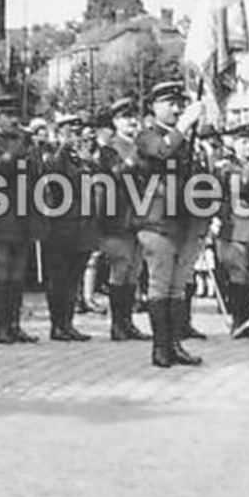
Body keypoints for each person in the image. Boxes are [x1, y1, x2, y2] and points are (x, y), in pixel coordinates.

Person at [134, 81, 209, 367]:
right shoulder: (148, 136)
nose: (177, 109)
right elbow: (161, 153)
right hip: (157, 220)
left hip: (183, 220)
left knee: (178, 287)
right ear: (154, 107)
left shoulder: (185, 140)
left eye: (180, 104)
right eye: (169, 104)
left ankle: (175, 344)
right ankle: (160, 348)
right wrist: (184, 127)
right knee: (160, 284)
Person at [0, 94, 41, 344]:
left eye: (16, 115)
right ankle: (2, 327)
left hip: (22, 215)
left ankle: (15, 324)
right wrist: (19, 145)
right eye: (8, 115)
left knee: (18, 272)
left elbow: (36, 174)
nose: (14, 120)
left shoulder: (24, 143)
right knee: (1, 268)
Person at [95, 98, 151, 342]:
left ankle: (128, 322)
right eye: (125, 117)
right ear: (116, 121)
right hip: (118, 214)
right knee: (121, 265)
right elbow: (119, 173)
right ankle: (117, 324)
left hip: (141, 213)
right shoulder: (110, 148)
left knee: (135, 270)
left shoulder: (141, 146)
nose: (131, 122)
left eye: (133, 117)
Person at [40, 112, 98, 341]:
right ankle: (57, 325)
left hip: (82, 224)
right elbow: (53, 176)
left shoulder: (79, 157)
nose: (75, 135)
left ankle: (68, 322)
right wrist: (63, 148)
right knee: (59, 277)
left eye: (76, 131)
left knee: (74, 276)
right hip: (61, 223)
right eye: (70, 131)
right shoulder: (54, 154)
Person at [213, 121, 249, 337]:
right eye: (243, 142)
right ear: (234, 144)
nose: (248, 147)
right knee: (238, 275)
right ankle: (239, 321)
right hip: (235, 229)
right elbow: (242, 187)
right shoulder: (226, 167)